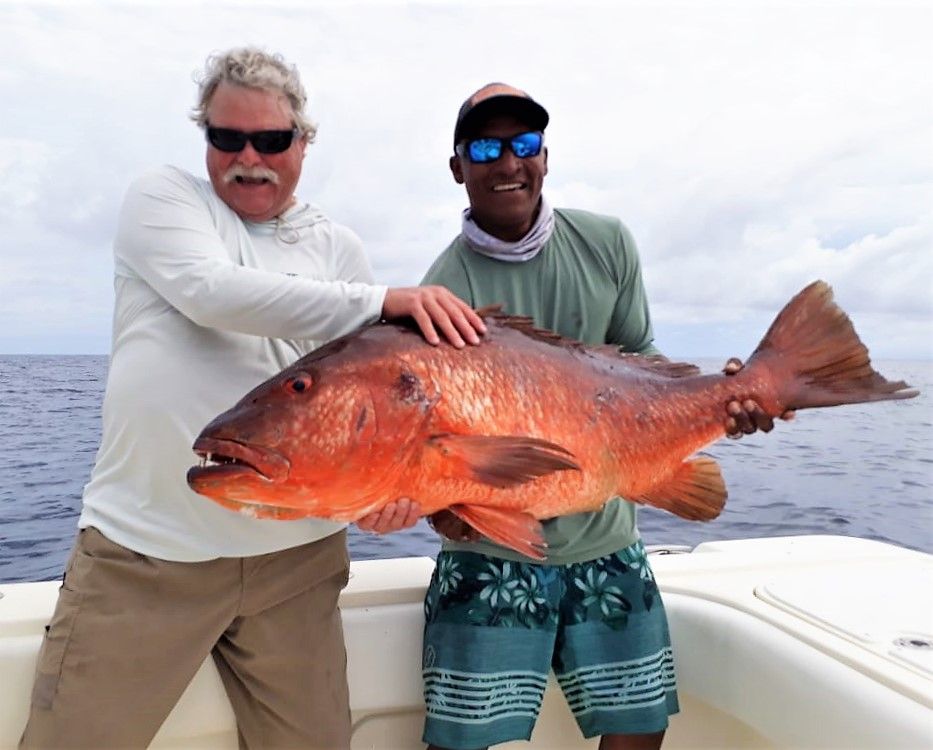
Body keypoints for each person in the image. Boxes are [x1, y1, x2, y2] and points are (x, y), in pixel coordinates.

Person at [19, 47, 485, 750]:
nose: (248, 157)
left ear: (302, 142)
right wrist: (381, 300)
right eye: (226, 137)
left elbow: (367, 410)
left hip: (296, 562)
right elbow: (209, 292)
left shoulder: (338, 249)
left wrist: (390, 491)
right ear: (203, 135)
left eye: (270, 139)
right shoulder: (164, 200)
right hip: (148, 554)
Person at [419, 83, 789, 750]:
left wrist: (722, 397)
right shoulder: (440, 290)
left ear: (545, 156)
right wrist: (432, 503)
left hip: (607, 537)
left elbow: (639, 358)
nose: (509, 163)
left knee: (639, 727)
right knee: (462, 739)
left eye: (524, 144)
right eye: (485, 149)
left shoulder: (606, 242)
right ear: (457, 168)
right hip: (490, 550)